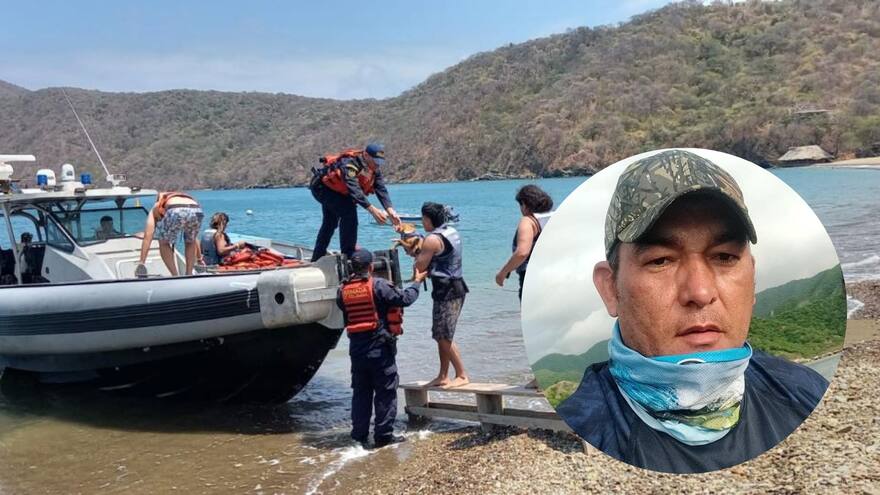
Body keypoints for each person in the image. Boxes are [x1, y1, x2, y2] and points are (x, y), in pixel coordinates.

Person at [556, 150, 828, 473]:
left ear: (752, 280)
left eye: (724, 256)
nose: (700, 293)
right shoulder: (579, 431)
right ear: (610, 288)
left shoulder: (806, 395)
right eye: (660, 260)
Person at [337, 248, 427, 448]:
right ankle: (383, 436)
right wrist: (417, 281)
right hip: (379, 349)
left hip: (357, 351)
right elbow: (405, 299)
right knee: (385, 391)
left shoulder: (342, 290)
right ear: (370, 267)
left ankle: (359, 435)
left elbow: (344, 311)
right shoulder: (379, 285)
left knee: (361, 393)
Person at [410, 202, 470, 388]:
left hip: (447, 290)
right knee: (441, 333)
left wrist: (414, 253)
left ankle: (461, 374)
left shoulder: (432, 239)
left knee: (443, 335)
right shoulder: (451, 231)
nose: (422, 222)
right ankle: (443, 375)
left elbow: (420, 266)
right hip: (457, 286)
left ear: (428, 219)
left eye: (423, 218)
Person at [309, 143, 401, 261]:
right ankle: (348, 254)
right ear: (366, 155)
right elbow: (354, 189)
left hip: (339, 192)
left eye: (380, 162)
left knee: (330, 223)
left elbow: (380, 187)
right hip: (323, 189)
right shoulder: (350, 164)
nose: (377, 164)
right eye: (375, 161)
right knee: (348, 213)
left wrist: (390, 209)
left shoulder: (373, 167)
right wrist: (372, 210)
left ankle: (317, 258)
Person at [495, 185, 553, 300]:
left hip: (532, 279)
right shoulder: (551, 217)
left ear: (525, 205)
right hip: (553, 276)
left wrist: (502, 273)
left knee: (532, 317)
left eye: (520, 205)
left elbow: (522, 252)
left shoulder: (528, 221)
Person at [136, 192, 204, 277]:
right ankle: (189, 274)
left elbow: (148, 236)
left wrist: (142, 262)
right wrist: (199, 259)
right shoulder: (181, 199)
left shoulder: (156, 207)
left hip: (175, 209)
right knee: (190, 241)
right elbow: (194, 239)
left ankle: (175, 275)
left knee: (163, 243)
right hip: (196, 209)